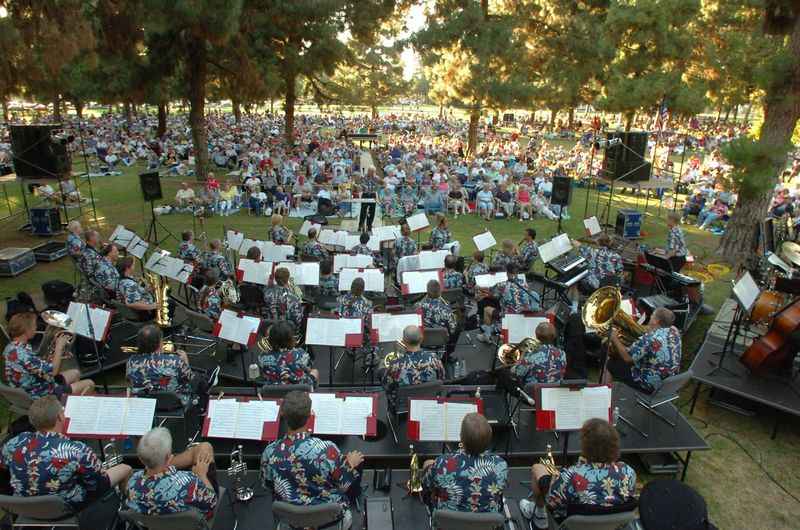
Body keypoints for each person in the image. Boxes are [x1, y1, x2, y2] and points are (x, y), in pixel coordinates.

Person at [1, 396, 131, 527]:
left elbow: (4, 467)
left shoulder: (13, 443)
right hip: (64, 508)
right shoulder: (75, 450)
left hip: (24, 505)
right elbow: (96, 485)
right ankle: (126, 509)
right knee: (125, 468)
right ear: (59, 417)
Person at [261, 391, 364, 530]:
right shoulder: (327, 450)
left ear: (282, 415)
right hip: (329, 521)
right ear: (310, 416)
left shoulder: (269, 452)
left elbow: (267, 485)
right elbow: (345, 486)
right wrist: (350, 464)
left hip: (291, 522)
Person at [519, 419, 636, 528]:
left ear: (586, 445)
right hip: (612, 525)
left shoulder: (572, 475)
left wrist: (556, 479)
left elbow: (551, 502)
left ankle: (540, 516)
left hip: (575, 524)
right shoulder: (628, 471)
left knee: (537, 468)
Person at [125, 428, 218, 522]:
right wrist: (201, 475)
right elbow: (212, 502)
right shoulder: (190, 483)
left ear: (141, 459)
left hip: (153, 525)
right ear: (168, 457)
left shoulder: (132, 484)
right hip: (190, 524)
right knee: (205, 449)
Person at [421, 413, 508, 513]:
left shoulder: (441, 463)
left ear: (461, 438)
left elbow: (426, 486)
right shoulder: (501, 466)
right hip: (487, 524)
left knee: (428, 463)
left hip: (448, 522)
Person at [3, 313, 95, 398]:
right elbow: (53, 372)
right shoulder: (23, 354)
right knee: (90, 383)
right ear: (26, 331)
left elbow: (34, 367)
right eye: (34, 326)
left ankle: (69, 401)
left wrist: (56, 357)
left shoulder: (11, 348)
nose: (36, 328)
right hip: (41, 394)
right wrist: (59, 347)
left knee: (75, 373)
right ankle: (67, 407)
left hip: (35, 385)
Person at [605, 307, 681, 394]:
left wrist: (614, 338)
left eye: (652, 316)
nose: (650, 317)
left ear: (657, 321)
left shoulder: (650, 339)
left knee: (610, 362)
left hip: (650, 386)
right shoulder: (674, 331)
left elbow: (628, 358)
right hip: (669, 384)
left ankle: (604, 394)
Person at [126, 325, 196, 407]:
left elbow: (130, 380)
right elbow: (191, 379)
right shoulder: (175, 360)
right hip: (173, 403)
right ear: (159, 343)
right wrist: (185, 361)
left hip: (144, 404)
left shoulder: (131, 361)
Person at [382, 325, 445, 404]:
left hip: (403, 409)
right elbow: (441, 378)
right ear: (421, 338)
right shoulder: (434, 359)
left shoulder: (396, 365)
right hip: (429, 404)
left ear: (404, 341)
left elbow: (387, 387)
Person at [257, 321, 319, 385]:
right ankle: (311, 393)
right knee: (314, 371)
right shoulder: (300, 353)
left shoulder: (262, 356)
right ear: (290, 338)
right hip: (298, 389)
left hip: (271, 390)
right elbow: (308, 368)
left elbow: (261, 373)